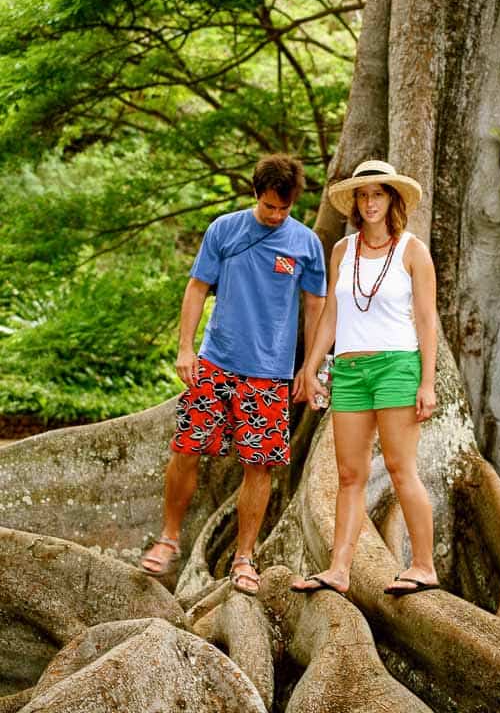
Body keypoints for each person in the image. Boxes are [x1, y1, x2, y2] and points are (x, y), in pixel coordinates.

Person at [141, 154, 327, 594]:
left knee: (258, 465)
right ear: (255, 195)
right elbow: (197, 287)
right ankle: (168, 538)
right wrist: (186, 348)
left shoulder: (305, 244)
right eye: (269, 207)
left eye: (284, 209)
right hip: (217, 361)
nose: (276, 216)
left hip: (269, 373)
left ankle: (244, 558)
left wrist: (310, 367)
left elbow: (316, 304)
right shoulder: (224, 229)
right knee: (187, 447)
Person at [290, 159, 439, 597]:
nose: (370, 201)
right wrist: (312, 367)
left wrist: (426, 383)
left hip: (397, 366)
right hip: (350, 370)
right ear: (354, 202)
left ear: (392, 199)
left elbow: (428, 321)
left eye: (378, 193)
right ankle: (339, 569)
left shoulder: (413, 250)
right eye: (362, 194)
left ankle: (424, 566)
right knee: (349, 474)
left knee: (399, 468)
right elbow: (333, 314)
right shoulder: (343, 250)